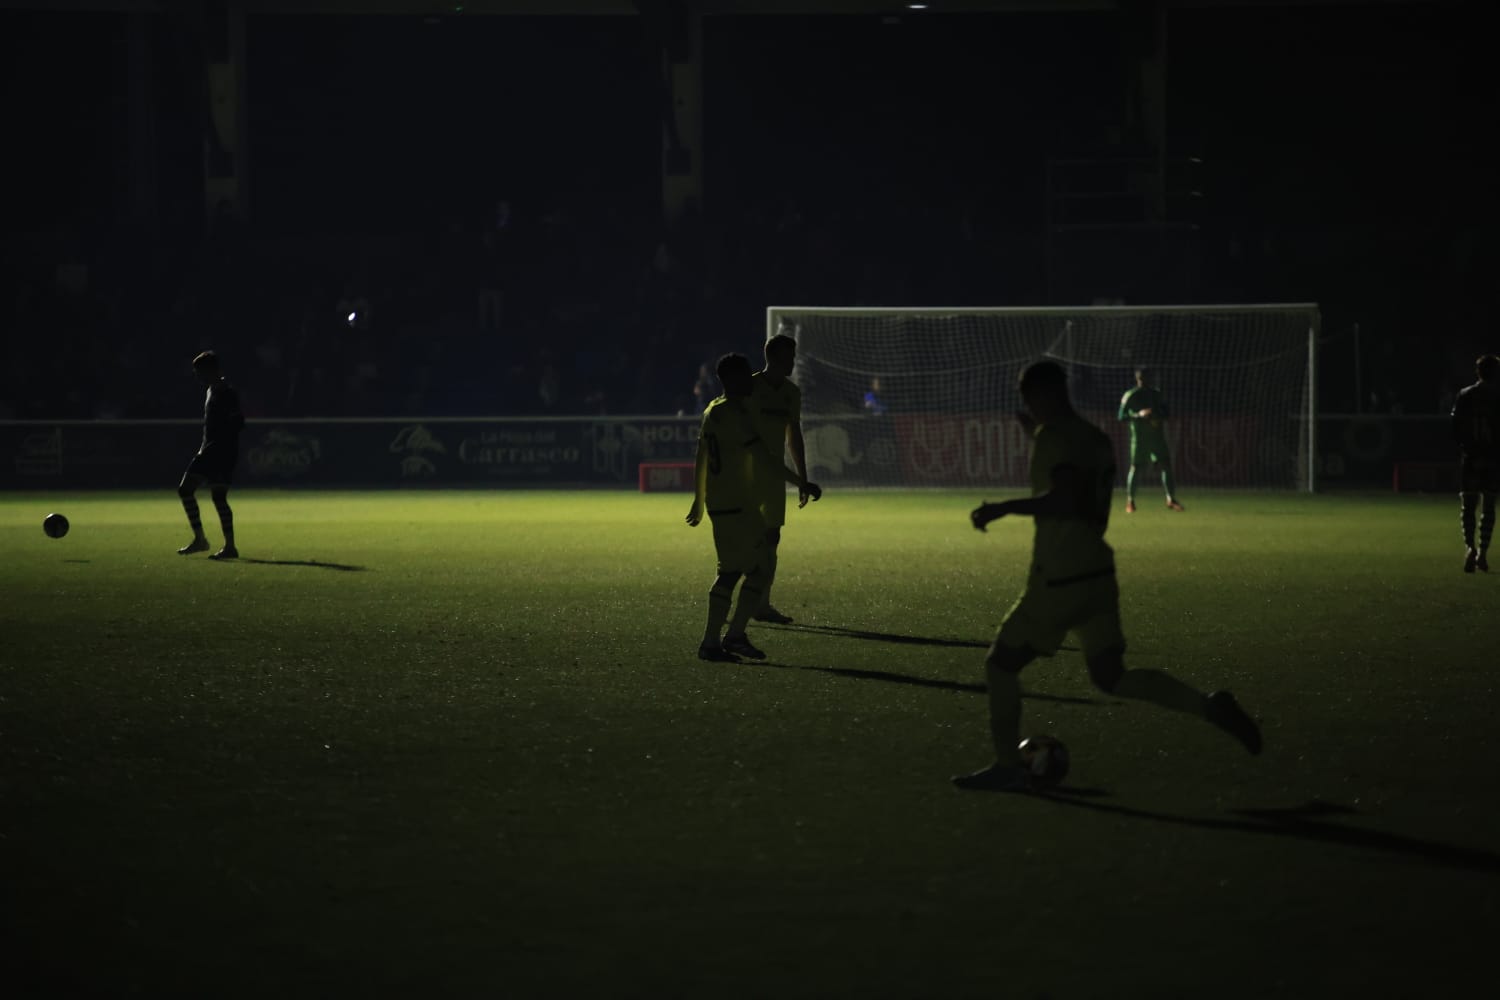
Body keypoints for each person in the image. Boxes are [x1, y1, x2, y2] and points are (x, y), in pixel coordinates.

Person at [955, 361, 1260, 791]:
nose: (1029, 406)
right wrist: (1036, 436)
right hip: (1097, 574)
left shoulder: (1055, 438)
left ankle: (1007, 767)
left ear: (1042, 394)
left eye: (1029, 398)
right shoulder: (1093, 437)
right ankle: (1208, 705)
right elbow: (1075, 473)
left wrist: (1001, 508)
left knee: (1001, 665)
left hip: (1059, 577)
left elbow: (1064, 498)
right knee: (1111, 676)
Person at [686, 353, 821, 662]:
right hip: (736, 505)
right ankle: (720, 640)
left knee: (742, 570)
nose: (751, 379)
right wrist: (802, 482)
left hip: (725, 503)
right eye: (746, 374)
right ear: (732, 379)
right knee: (750, 571)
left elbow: (701, 455)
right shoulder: (735, 414)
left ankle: (725, 638)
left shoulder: (712, 409)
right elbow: (766, 460)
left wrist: (699, 499)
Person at [748, 329, 812, 623]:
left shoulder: (791, 393)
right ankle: (730, 603)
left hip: (774, 477)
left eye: (794, 357)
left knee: (772, 537)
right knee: (745, 540)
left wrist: (802, 477)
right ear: (772, 357)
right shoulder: (749, 388)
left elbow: (793, 435)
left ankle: (762, 605)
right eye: (789, 357)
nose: (793, 363)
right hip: (745, 476)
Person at [177, 351, 245, 560]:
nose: (197, 376)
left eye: (199, 371)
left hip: (220, 452)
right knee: (200, 493)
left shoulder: (227, 392)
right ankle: (212, 542)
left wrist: (222, 445)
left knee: (199, 492)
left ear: (211, 370)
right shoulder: (211, 390)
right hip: (210, 450)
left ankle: (217, 544)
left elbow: (238, 423)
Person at [1452, 353, 1500, 573]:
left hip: (1471, 457)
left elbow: (1455, 429)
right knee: (1488, 506)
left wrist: (1466, 449)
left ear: (1478, 372)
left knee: (1468, 505)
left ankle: (1470, 547)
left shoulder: (1465, 395)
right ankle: (1483, 552)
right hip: (1492, 458)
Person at [1117, 367, 1184, 513]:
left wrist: (1155, 414)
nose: (1145, 380)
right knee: (1136, 467)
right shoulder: (1130, 395)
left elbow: (1167, 413)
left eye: (1147, 377)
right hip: (1140, 438)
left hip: (1156, 436)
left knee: (1166, 465)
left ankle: (1170, 499)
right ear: (1137, 378)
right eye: (1142, 377)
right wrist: (1138, 415)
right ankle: (1130, 501)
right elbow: (1121, 416)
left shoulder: (1157, 394)